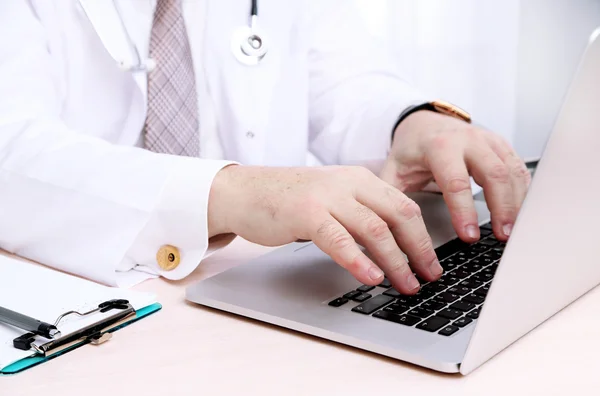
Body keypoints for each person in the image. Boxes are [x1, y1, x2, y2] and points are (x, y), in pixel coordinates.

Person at [0, 1, 530, 294]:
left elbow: (347, 83)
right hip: (88, 302)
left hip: (254, 292)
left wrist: (411, 122)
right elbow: (13, 150)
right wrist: (228, 194)